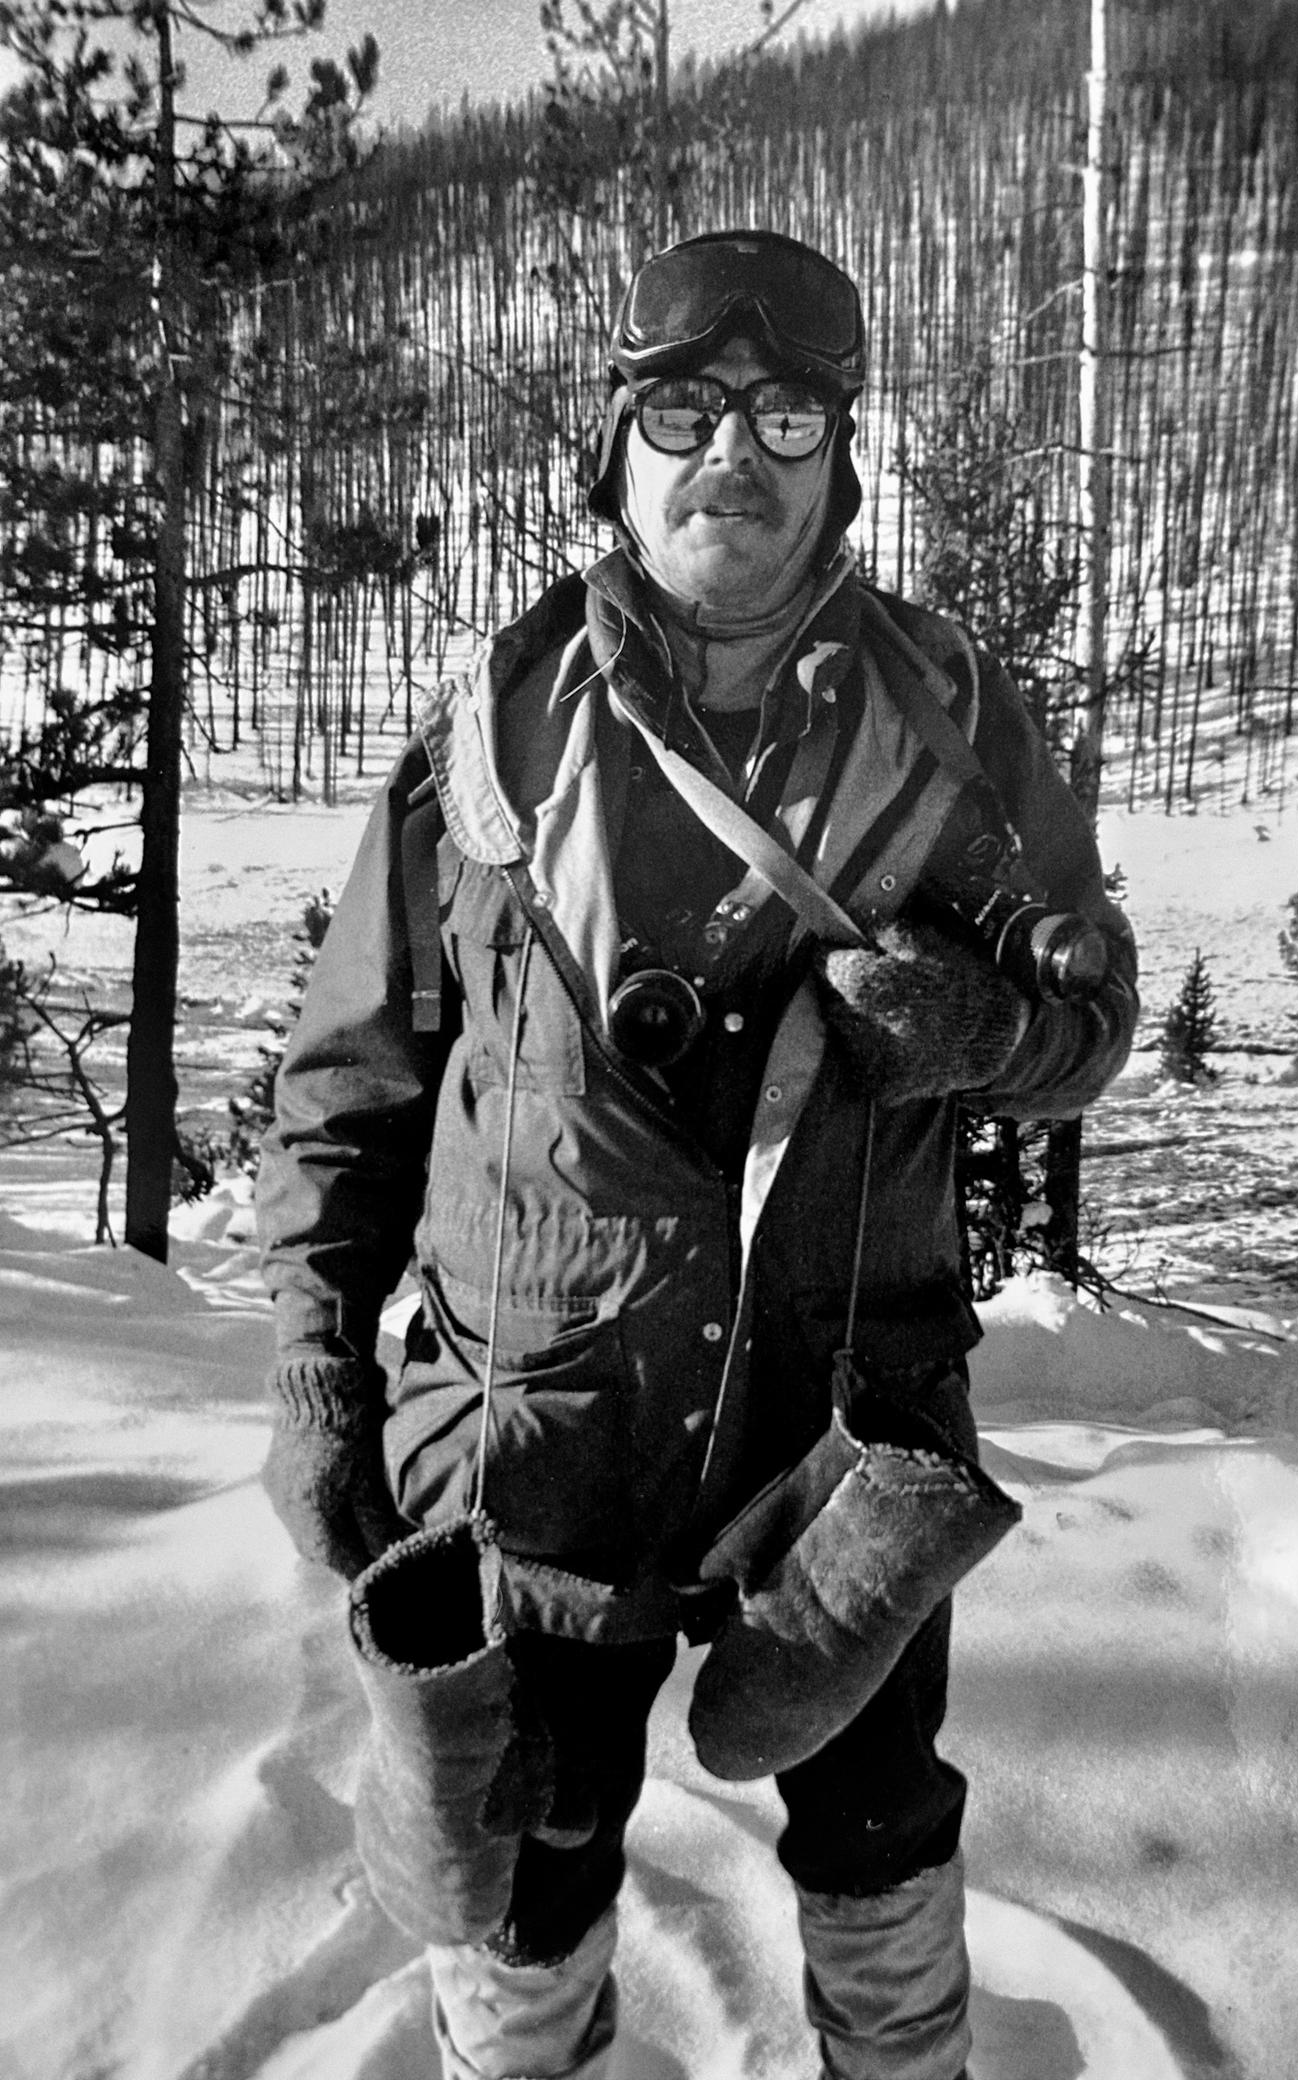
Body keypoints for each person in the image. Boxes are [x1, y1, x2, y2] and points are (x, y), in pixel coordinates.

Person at [256, 228, 1138, 2080]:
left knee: (881, 1854)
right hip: (536, 1441)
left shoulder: (953, 728)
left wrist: (996, 1035)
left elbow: (1089, 1028)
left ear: (840, 454)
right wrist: (315, 1364)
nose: (732, 446)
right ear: (621, 449)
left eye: (786, 411)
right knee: (524, 1887)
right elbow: (353, 1084)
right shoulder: (490, 733)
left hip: (842, 1451)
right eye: (683, 404)